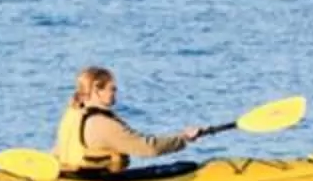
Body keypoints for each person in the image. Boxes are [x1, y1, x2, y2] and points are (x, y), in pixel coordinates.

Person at [53, 65, 214, 174]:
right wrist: (183, 138)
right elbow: (148, 148)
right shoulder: (101, 124)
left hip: (76, 178)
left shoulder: (73, 114)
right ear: (96, 89)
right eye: (112, 89)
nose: (115, 93)